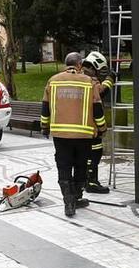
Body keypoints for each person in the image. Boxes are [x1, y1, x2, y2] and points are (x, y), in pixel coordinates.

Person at [41, 52, 108, 217]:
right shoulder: (89, 82)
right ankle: (77, 197)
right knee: (80, 166)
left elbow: (45, 106)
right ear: (79, 65)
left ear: (66, 64)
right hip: (83, 135)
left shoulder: (53, 81)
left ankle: (68, 202)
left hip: (60, 135)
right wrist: (102, 128)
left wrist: (44, 126)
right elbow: (97, 109)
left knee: (63, 166)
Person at [80, 51, 115, 194]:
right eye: (99, 70)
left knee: (84, 154)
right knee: (95, 152)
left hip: (78, 124)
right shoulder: (89, 79)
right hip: (89, 124)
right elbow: (100, 92)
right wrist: (110, 79)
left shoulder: (77, 75)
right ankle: (91, 182)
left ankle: (83, 181)